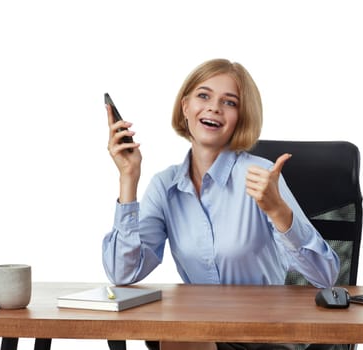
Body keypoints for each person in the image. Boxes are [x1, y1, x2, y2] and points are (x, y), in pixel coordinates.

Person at [103, 58, 340, 350]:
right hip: (203, 332)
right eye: (204, 95)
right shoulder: (165, 186)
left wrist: (278, 211)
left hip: (266, 337)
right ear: (185, 106)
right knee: (181, 328)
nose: (214, 107)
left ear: (241, 117)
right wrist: (128, 178)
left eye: (229, 102)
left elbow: (326, 276)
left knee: (182, 332)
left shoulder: (260, 176)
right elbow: (123, 274)